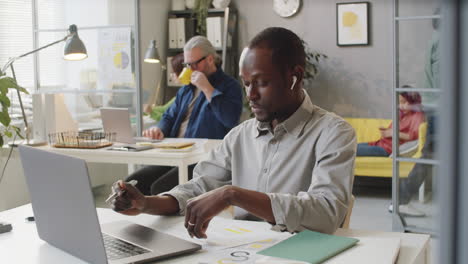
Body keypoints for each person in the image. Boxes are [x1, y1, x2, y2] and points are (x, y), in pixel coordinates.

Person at [111, 27, 357, 237]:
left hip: (300, 253)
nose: (250, 95)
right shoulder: (240, 136)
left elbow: (327, 213)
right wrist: (145, 203)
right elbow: (197, 189)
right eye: (246, 83)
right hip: (242, 250)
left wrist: (232, 195)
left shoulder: (334, 133)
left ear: (295, 77)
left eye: (261, 82)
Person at [127, 36, 243, 195]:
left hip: (204, 159)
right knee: (133, 184)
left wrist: (208, 89)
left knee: (160, 188)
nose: (190, 69)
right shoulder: (186, 90)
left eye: (194, 64)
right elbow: (168, 117)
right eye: (187, 64)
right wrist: (159, 129)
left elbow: (230, 119)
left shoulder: (230, 86)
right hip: (176, 154)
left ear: (210, 59)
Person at [356, 91, 425, 157]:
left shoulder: (417, 115)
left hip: (387, 150)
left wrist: (392, 133)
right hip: (380, 144)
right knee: (350, 146)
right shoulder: (403, 114)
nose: (401, 106)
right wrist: (386, 132)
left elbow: (414, 137)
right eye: (399, 103)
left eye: (403, 102)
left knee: (350, 150)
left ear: (413, 101)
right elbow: (397, 131)